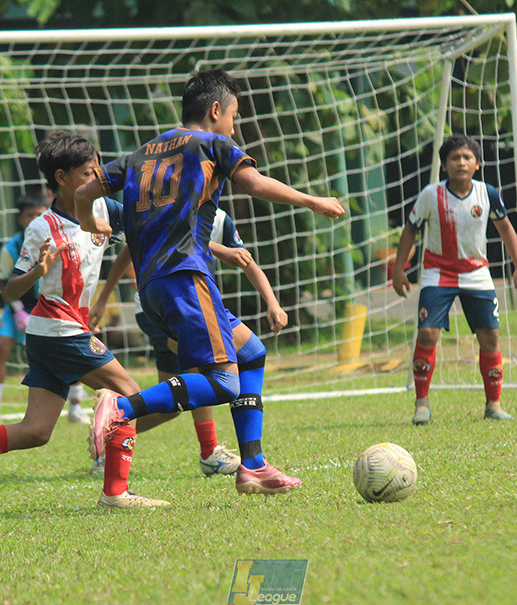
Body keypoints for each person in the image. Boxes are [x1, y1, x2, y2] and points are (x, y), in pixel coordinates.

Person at [75, 68, 344, 495]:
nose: (234, 126)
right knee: (223, 381)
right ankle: (122, 408)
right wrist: (312, 200)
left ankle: (253, 466)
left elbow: (83, 194)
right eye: (234, 116)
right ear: (215, 110)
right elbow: (254, 183)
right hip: (186, 277)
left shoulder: (140, 154)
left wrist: (95, 226)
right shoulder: (213, 144)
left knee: (251, 352)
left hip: (154, 287)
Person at [0, 130, 168, 509]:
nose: (98, 179)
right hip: (59, 329)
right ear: (61, 178)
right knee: (130, 395)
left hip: (52, 334)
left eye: (97, 171)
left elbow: (147, 234)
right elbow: (9, 290)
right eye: (88, 173)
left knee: (36, 431)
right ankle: (115, 493)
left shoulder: (106, 209)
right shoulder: (42, 228)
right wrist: (37, 272)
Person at [91, 207, 288, 476]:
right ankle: (211, 452)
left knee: (171, 404)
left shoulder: (220, 219)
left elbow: (247, 262)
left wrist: (273, 303)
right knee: (209, 367)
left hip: (198, 304)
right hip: (172, 303)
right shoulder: (170, 206)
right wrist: (103, 299)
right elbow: (131, 249)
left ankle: (111, 431)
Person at [392, 134, 517, 424]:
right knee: (428, 333)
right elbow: (410, 230)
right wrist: (398, 268)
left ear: (477, 164)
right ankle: (421, 403)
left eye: (467, 158)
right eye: (454, 158)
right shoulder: (431, 195)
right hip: (437, 273)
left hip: (477, 273)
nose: (461, 163)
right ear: (444, 165)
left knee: (490, 336)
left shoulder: (488, 193)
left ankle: (493, 404)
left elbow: (506, 229)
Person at [0, 192, 92, 428]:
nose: (34, 219)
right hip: (19, 307)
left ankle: (76, 407)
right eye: (29, 215)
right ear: (20, 219)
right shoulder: (11, 247)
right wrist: (17, 310)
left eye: (39, 214)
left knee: (74, 347)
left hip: (55, 306)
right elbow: (2, 282)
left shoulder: (64, 240)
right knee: (0, 345)